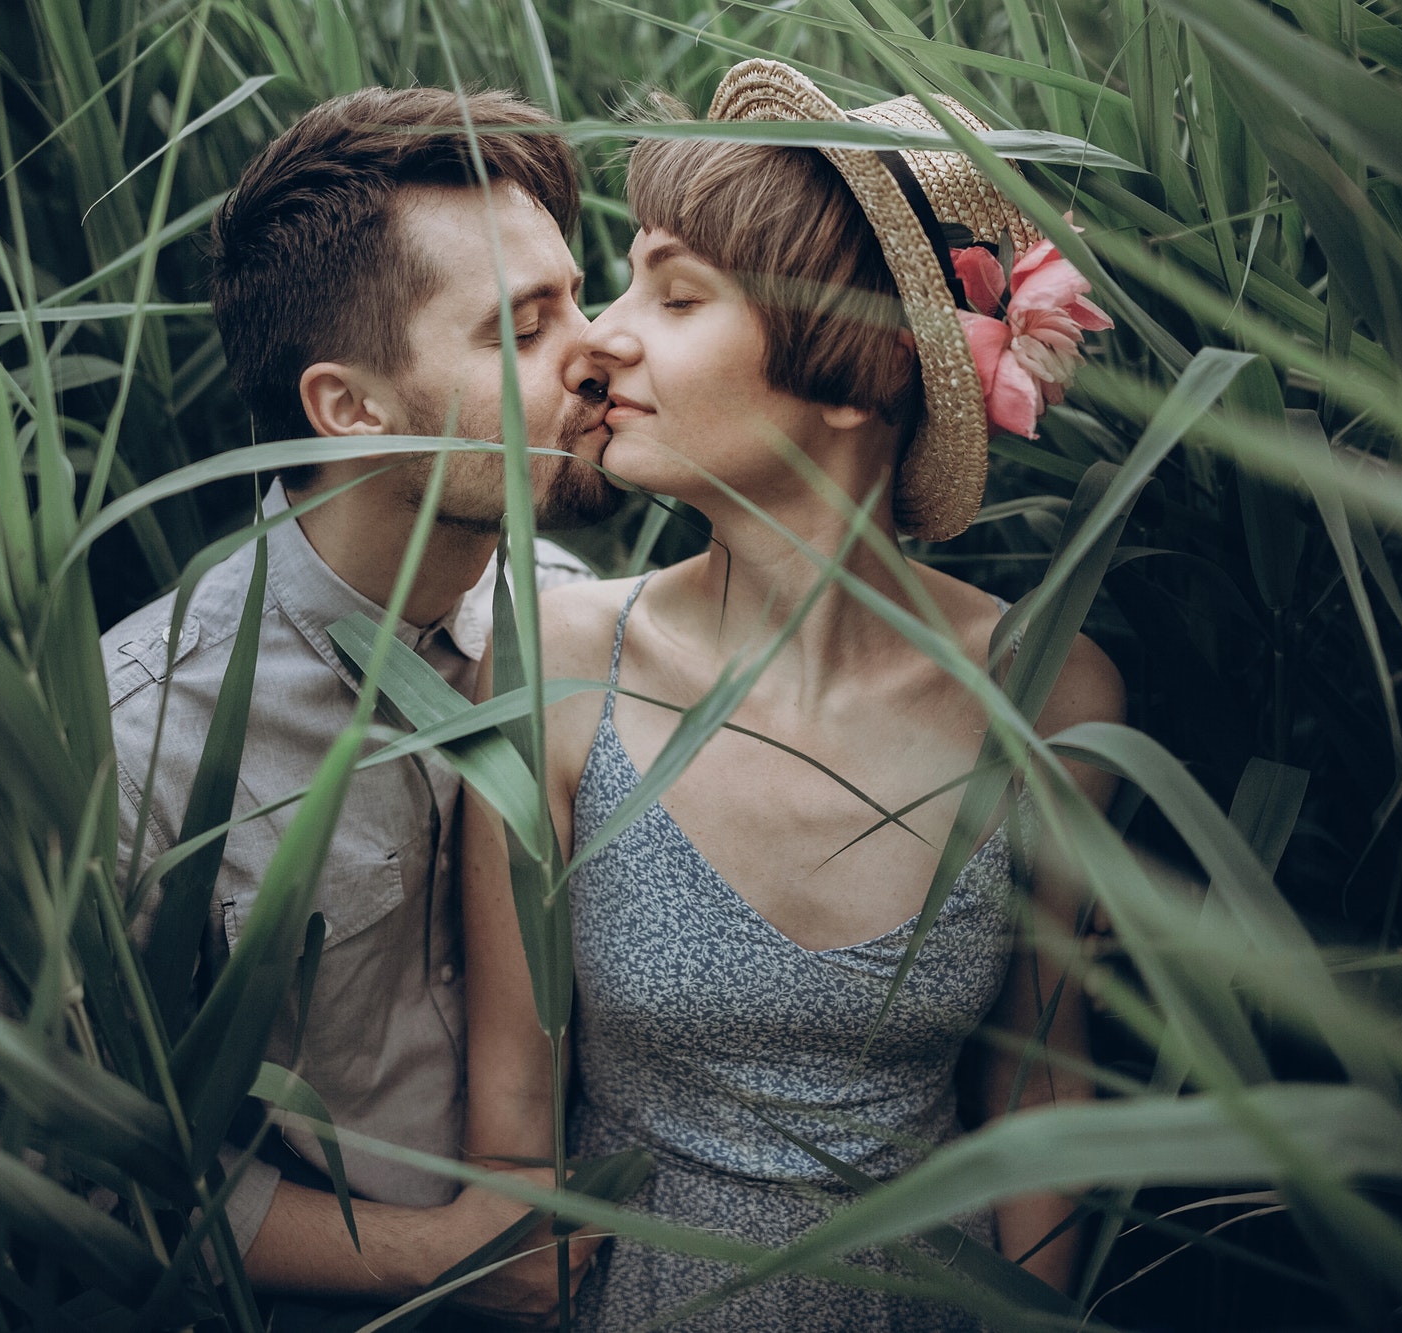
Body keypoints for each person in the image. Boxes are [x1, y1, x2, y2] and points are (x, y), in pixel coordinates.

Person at [461, 60, 1123, 1330]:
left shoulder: (1048, 699)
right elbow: (511, 1147)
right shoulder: (549, 664)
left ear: (849, 371)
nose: (602, 335)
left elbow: (1042, 1113)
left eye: (674, 293)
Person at [88, 87, 621, 1324]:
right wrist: (435, 1252)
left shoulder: (575, 619)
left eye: (578, 300)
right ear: (349, 407)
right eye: (522, 328)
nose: (597, 354)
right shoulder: (146, 741)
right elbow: (92, 1161)